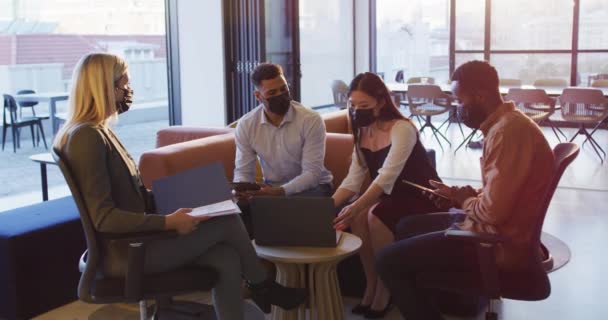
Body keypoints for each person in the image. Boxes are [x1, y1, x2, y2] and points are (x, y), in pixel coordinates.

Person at [53, 53, 307, 320]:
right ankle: (262, 285)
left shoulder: (97, 131)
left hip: (138, 242)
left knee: (227, 258)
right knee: (226, 220)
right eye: (123, 85)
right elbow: (104, 218)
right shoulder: (87, 137)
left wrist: (185, 197)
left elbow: (132, 197)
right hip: (129, 253)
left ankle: (259, 289)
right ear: (104, 87)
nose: (128, 91)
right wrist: (168, 223)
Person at [376, 60, 555, 320]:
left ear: (480, 96)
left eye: (460, 101)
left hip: (496, 243)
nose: (457, 108)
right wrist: (455, 195)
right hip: (498, 230)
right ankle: (450, 304)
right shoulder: (508, 124)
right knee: (406, 226)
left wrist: (466, 201)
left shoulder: (507, 134)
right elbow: (503, 192)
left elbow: (493, 214)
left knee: (386, 260)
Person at [331, 72, 442, 318]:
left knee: (373, 215)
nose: (357, 111)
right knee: (360, 216)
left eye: (364, 106)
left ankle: (385, 289)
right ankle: (371, 283)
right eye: (353, 105)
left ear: (381, 102)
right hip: (392, 196)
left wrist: (356, 206)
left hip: (421, 195)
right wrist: (329, 206)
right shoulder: (362, 133)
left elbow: (386, 177)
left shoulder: (402, 128)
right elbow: (353, 178)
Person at [233, 63, 334, 233]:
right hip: (271, 188)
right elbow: (244, 171)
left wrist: (279, 192)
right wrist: (242, 190)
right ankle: (260, 258)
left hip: (314, 188)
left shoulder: (310, 119)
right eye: (272, 93)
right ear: (258, 96)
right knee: (236, 214)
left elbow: (312, 174)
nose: (280, 95)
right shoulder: (247, 125)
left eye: (283, 89)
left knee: (283, 209)